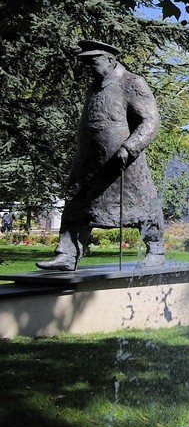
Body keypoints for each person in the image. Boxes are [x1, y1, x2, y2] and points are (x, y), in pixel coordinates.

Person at [36, 41, 165, 271]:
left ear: (110, 60)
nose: (87, 67)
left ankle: (155, 250)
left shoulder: (132, 83)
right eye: (85, 63)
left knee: (143, 205)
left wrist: (130, 148)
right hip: (89, 162)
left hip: (124, 162)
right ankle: (67, 254)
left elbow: (150, 120)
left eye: (92, 62)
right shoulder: (95, 86)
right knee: (77, 204)